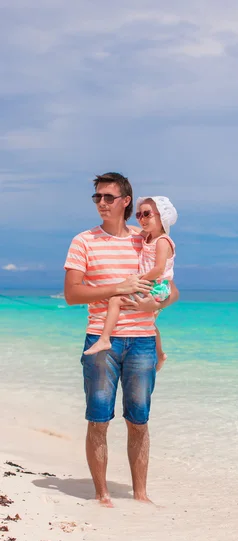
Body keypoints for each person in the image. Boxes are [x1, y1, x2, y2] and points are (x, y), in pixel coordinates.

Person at [64, 172, 179, 507]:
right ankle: (102, 495)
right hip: (102, 339)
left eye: (108, 197)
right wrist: (118, 288)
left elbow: (172, 290)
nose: (102, 203)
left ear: (126, 201)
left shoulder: (144, 239)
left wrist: (154, 303)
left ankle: (140, 495)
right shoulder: (83, 241)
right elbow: (72, 294)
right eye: (97, 197)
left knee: (139, 420)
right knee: (98, 418)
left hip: (142, 340)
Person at [84, 195, 177, 373]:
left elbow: (158, 269)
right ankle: (160, 353)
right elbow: (132, 230)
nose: (142, 219)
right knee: (150, 321)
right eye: (139, 215)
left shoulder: (162, 241)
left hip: (156, 285)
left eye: (147, 214)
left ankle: (104, 338)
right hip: (157, 285)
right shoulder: (149, 236)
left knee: (115, 301)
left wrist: (136, 282)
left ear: (162, 216)